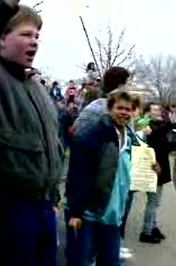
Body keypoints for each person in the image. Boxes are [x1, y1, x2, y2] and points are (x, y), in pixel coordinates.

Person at [0, 0, 63, 265]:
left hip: (45, 207)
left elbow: (53, 147)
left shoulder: (36, 87)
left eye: (37, 35)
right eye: (25, 34)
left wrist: (54, 197)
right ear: (0, 39)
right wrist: (4, 4)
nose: (35, 41)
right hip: (9, 211)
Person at [65, 91, 160, 266]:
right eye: (119, 108)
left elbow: (135, 162)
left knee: (110, 261)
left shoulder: (130, 136)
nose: (124, 112)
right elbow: (78, 174)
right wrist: (76, 212)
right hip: (90, 213)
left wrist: (151, 166)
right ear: (109, 109)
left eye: (128, 109)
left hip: (113, 214)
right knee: (82, 261)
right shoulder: (94, 134)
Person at [140, 103, 176, 243]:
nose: (158, 111)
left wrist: (174, 145)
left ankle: (152, 227)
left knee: (155, 202)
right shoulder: (146, 128)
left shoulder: (158, 127)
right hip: (153, 168)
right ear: (148, 113)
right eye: (154, 109)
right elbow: (150, 148)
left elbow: (163, 143)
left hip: (160, 167)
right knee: (153, 202)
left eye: (159, 109)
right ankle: (146, 232)